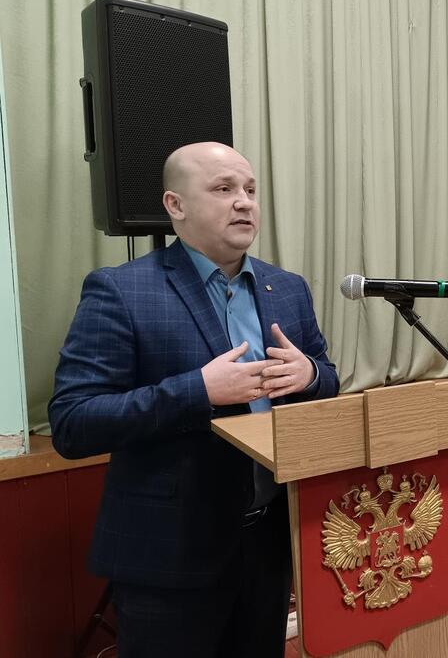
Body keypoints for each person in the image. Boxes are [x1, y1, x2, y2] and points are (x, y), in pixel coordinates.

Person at [48, 142, 339, 658]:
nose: (244, 202)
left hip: (268, 545)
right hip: (169, 557)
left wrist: (311, 375)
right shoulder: (122, 290)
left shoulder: (288, 288)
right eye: (224, 189)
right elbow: (74, 422)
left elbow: (327, 377)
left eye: (250, 189)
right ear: (175, 205)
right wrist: (198, 391)